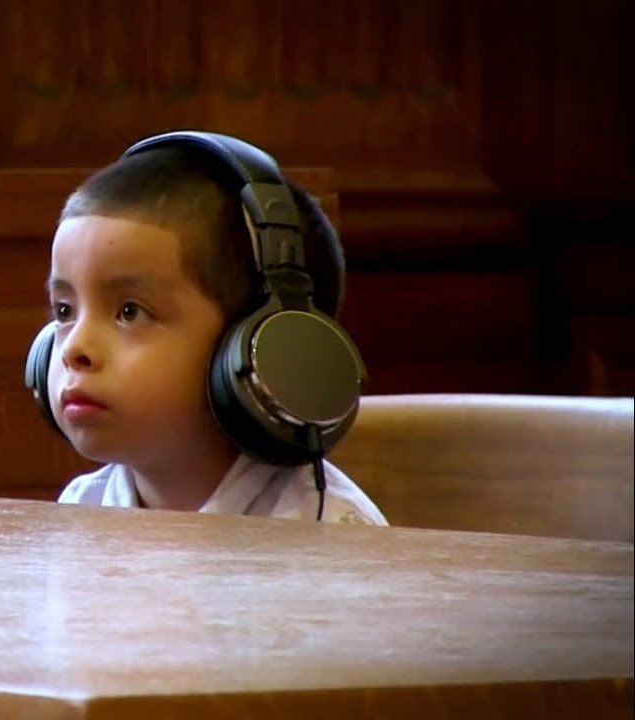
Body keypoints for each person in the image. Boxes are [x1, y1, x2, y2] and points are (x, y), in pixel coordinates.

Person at [24, 131, 387, 525]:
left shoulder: (328, 533)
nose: (74, 347)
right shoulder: (82, 508)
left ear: (263, 353)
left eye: (130, 312)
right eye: (64, 310)